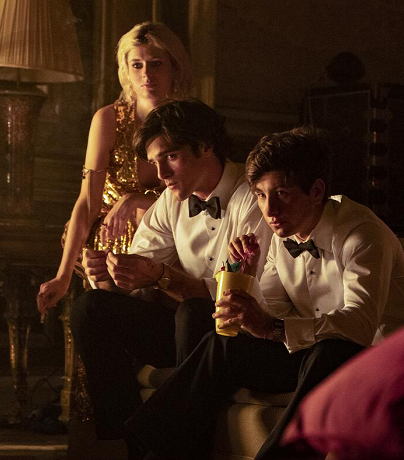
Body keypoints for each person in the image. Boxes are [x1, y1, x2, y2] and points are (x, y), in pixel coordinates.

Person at [125, 127, 404, 459]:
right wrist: (246, 279)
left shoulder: (361, 234)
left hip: (393, 358)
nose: (269, 210)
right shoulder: (281, 237)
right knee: (222, 344)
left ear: (316, 191)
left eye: (281, 193)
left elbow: (359, 326)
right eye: (259, 194)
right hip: (316, 353)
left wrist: (272, 327)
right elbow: (272, 311)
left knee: (328, 351)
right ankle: (145, 446)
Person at [70, 99, 272, 451]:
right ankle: (126, 442)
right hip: (184, 329)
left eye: (171, 157)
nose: (161, 173)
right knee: (91, 307)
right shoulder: (170, 199)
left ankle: (179, 447)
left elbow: (240, 296)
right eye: (154, 163)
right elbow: (141, 268)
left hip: (235, 334)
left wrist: (163, 277)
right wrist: (108, 275)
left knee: (192, 312)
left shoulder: (254, 196)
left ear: (205, 146)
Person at [36, 21, 192, 315]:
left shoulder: (190, 122)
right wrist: (63, 276)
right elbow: (87, 202)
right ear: (126, 71)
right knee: (105, 311)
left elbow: (198, 199)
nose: (146, 74)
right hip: (112, 245)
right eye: (137, 65)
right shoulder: (108, 119)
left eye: (156, 64)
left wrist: (137, 200)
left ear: (174, 67)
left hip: (174, 241)